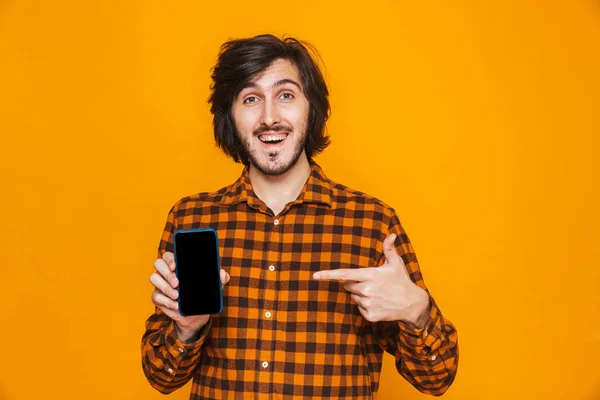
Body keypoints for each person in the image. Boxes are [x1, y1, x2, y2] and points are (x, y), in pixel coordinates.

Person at [141, 34, 459, 399]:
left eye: (286, 95)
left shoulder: (373, 223)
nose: (270, 117)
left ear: (313, 109)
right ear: (230, 116)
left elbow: (437, 379)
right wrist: (186, 330)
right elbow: (161, 378)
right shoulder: (192, 218)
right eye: (250, 99)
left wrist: (416, 312)